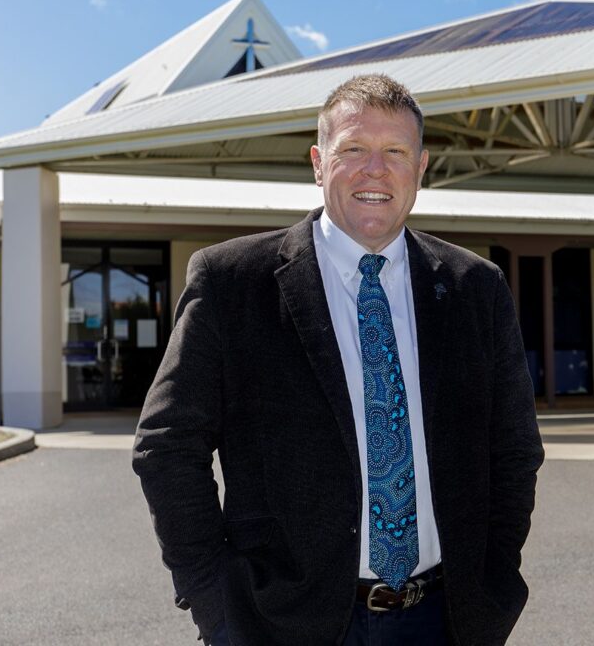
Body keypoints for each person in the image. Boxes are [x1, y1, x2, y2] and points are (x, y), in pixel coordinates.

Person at [133, 74, 544, 645]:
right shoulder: (233, 283)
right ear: (319, 163)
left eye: (395, 152)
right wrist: (217, 607)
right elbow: (167, 444)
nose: (375, 169)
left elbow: (515, 448)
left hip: (446, 619)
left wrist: (495, 579)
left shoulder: (476, 287)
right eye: (353, 149)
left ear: (421, 169)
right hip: (284, 622)